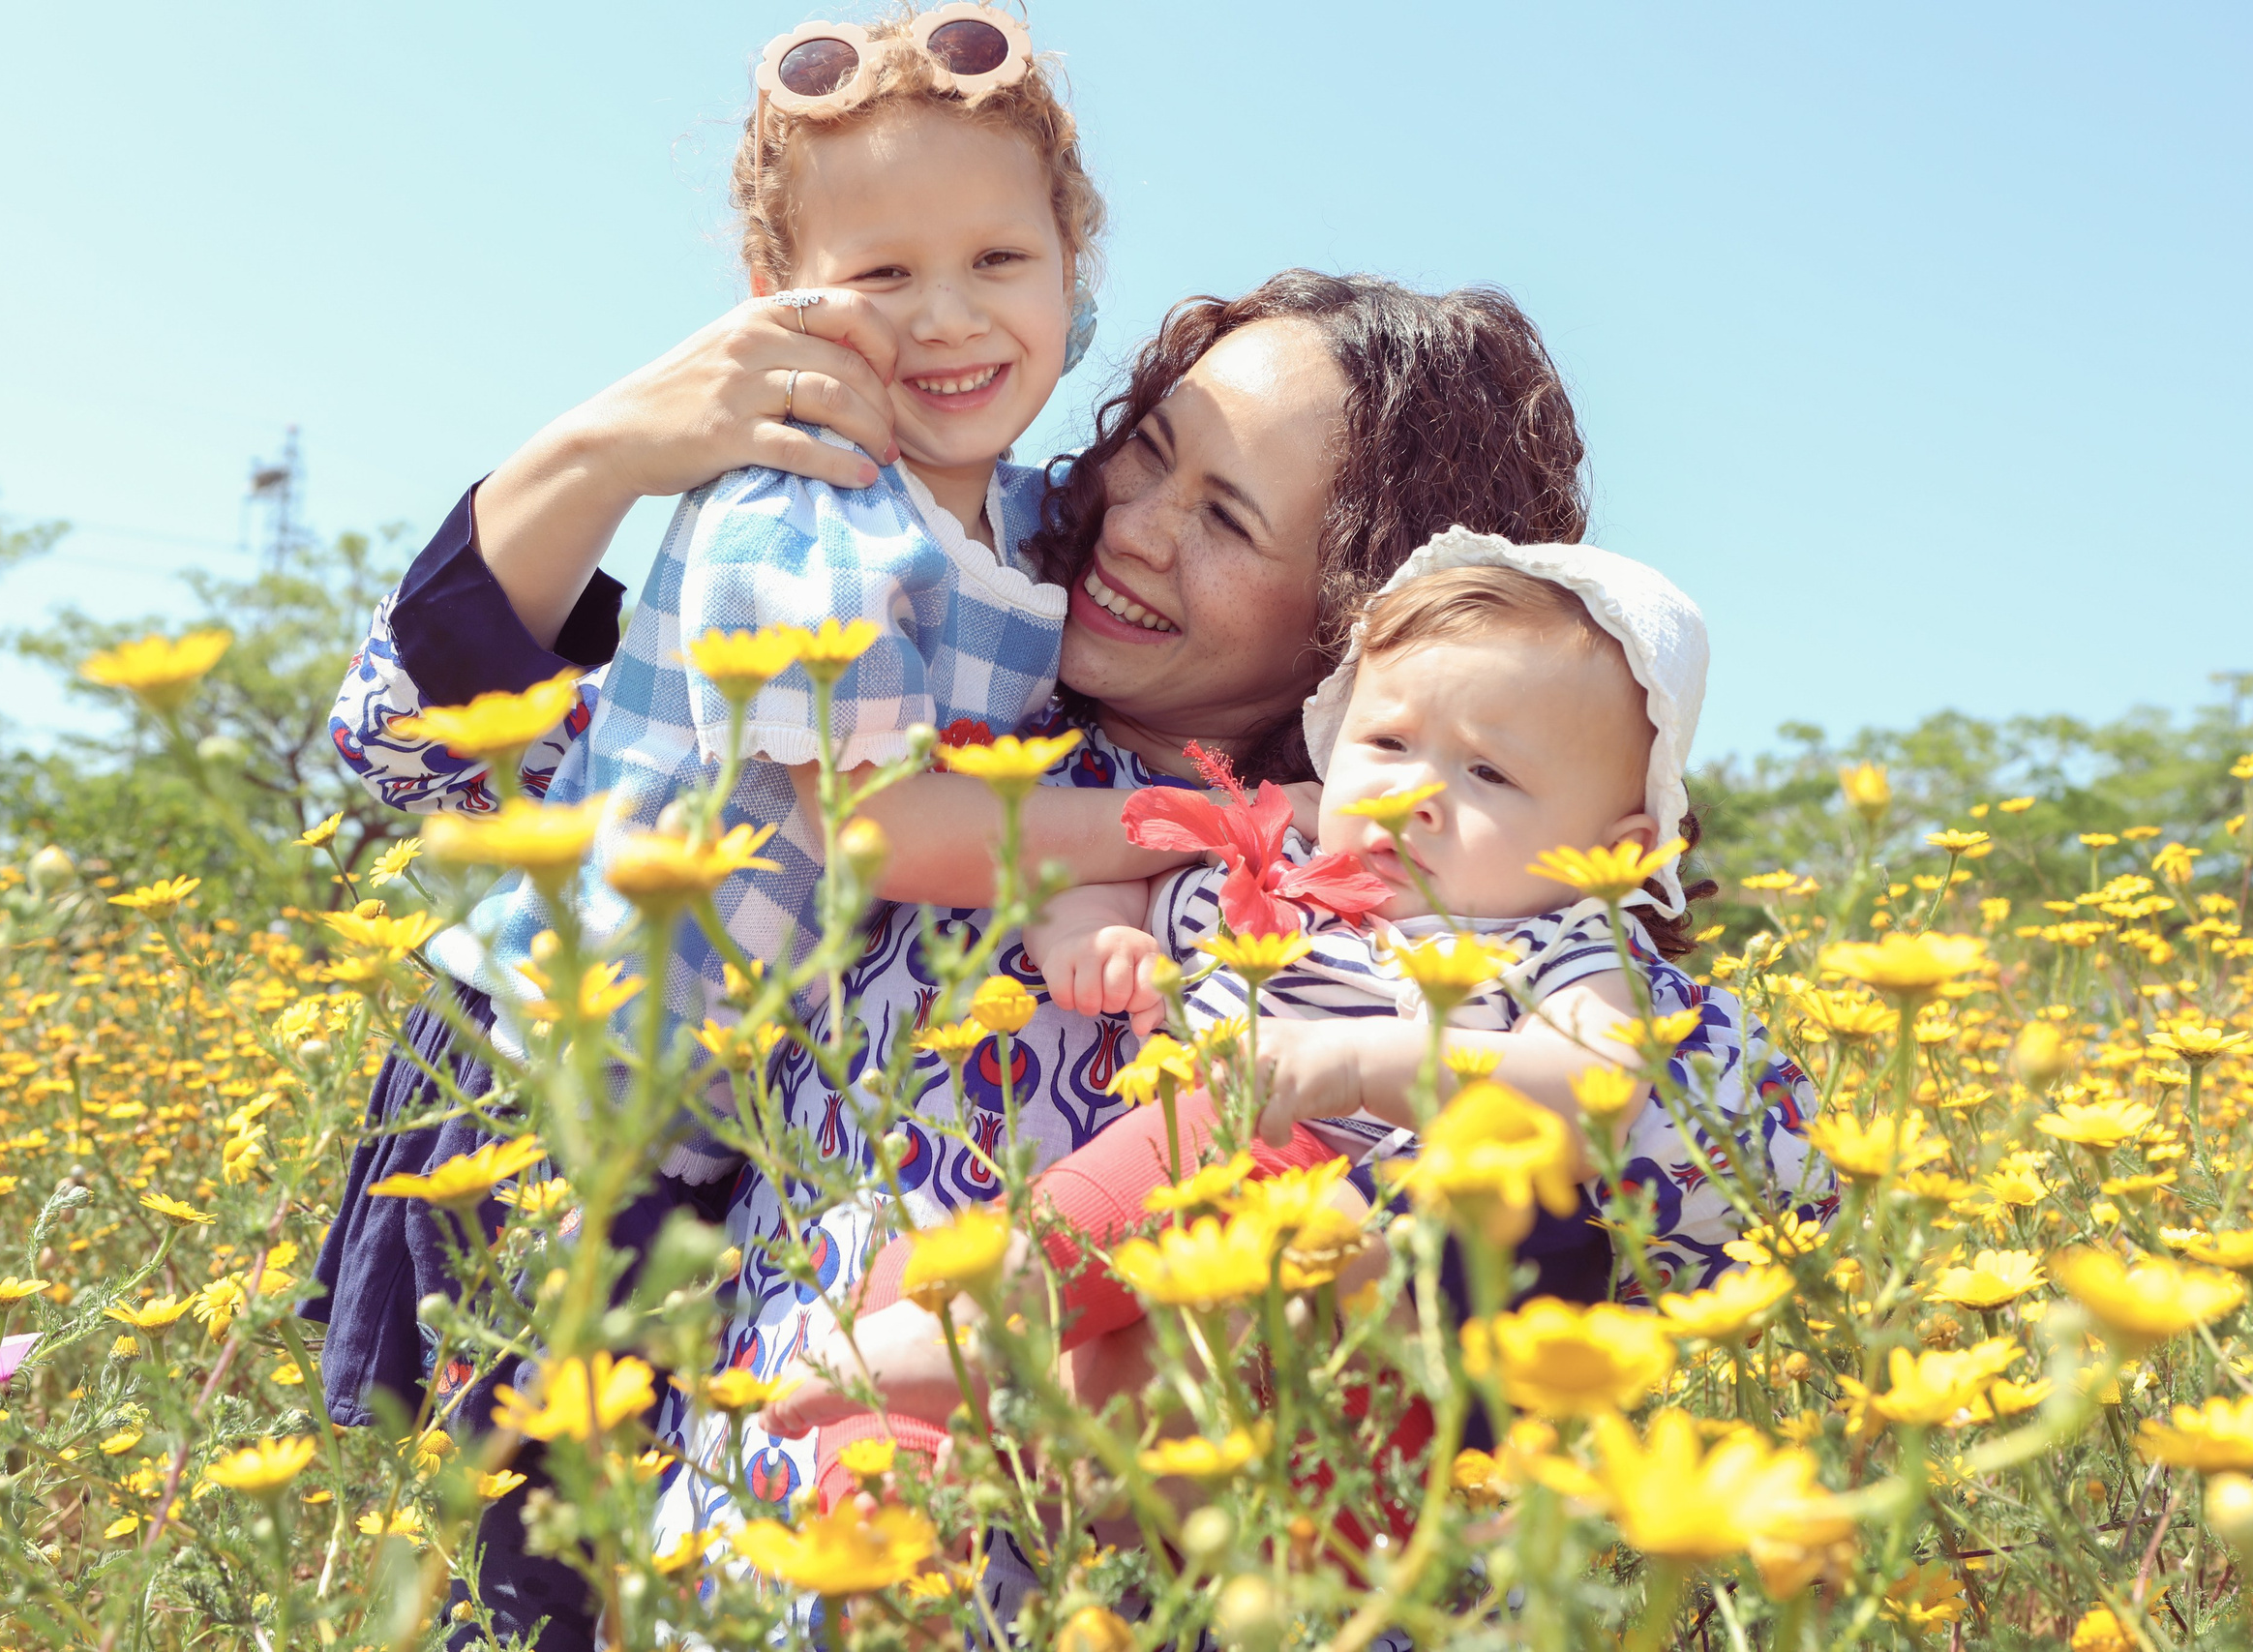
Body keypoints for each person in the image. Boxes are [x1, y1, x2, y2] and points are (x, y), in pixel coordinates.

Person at [321, 255, 1589, 1643]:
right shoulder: (920, 703)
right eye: (1147, 450)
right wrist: (608, 447)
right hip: (719, 1551)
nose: (1135, 528)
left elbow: (1579, 1212)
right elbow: (407, 746)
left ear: (1362, 615)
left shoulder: (1409, 888)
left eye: (1226, 518)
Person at [763, 546, 1831, 1529]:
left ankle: (994, 1327)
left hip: (1387, 1306)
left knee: (1220, 1128)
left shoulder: (1559, 939)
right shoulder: (1275, 869)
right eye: (1389, 743)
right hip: (1187, 1287)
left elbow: (1592, 1079)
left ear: (1620, 848)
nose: (1414, 796)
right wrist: (1089, 934)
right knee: (913, 1269)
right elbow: (1117, 877)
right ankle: (889, 1550)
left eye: (1490, 775)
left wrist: (1359, 1065)